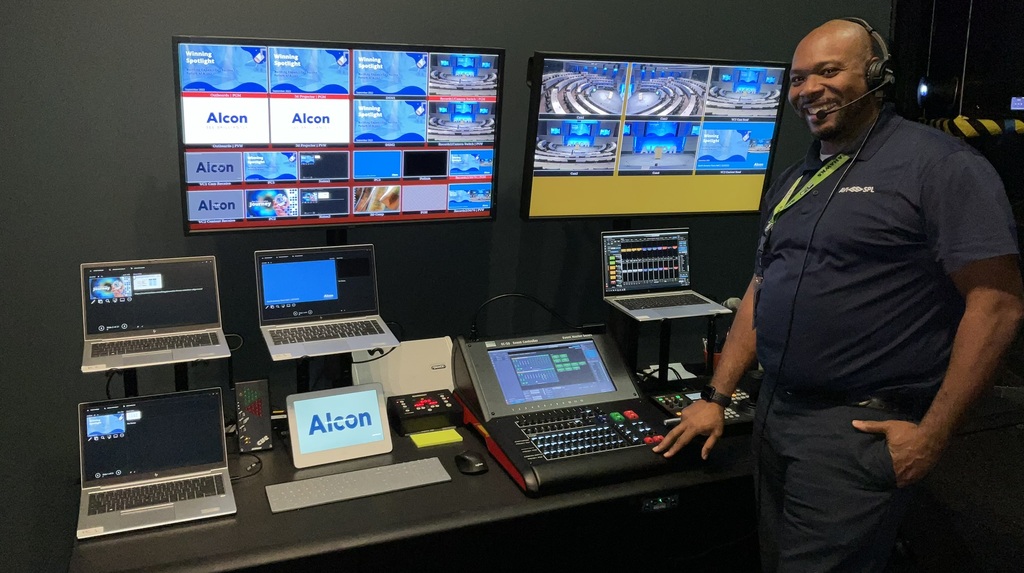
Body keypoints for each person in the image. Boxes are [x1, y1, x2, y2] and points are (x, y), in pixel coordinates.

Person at [653, 17, 1023, 572]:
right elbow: (761, 287)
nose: (809, 90)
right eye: (799, 79)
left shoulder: (941, 167)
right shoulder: (796, 179)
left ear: (876, 75)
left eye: (828, 72)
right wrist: (716, 396)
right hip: (776, 415)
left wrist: (932, 435)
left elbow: (997, 306)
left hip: (858, 429)